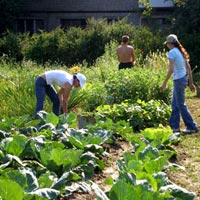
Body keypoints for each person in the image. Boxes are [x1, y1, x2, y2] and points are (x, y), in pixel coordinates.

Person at [160, 34, 198, 134]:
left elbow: (171, 69)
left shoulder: (172, 52)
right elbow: (188, 68)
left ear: (169, 43)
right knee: (175, 104)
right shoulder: (180, 52)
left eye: (167, 44)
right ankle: (174, 127)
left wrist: (164, 83)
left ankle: (192, 126)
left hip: (178, 80)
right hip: (182, 79)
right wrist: (191, 82)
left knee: (181, 104)